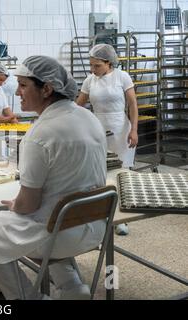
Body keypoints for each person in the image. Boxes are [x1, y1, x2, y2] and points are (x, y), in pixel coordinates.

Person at [0, 56, 108, 300]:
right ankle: (73, 287)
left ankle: (27, 297)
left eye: (23, 85)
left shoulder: (40, 134)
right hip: (94, 226)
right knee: (51, 215)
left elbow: (28, 204)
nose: (18, 92)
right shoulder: (89, 118)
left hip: (59, 234)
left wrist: (15, 205)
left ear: (47, 89)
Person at [76, 43, 138, 236]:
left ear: (109, 63)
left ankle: (121, 219)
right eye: (91, 66)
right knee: (99, 172)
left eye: (97, 66)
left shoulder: (122, 76)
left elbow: (133, 104)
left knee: (121, 173)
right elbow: (78, 106)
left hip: (120, 128)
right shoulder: (90, 80)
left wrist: (134, 130)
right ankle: (101, 215)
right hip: (97, 129)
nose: (93, 70)